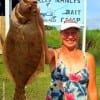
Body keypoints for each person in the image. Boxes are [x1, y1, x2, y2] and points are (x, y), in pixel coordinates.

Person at [45, 19, 98, 100]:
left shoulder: (88, 58)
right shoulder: (54, 54)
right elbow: (44, 57)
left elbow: (92, 90)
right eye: (66, 33)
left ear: (78, 34)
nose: (70, 36)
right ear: (60, 34)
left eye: (73, 32)